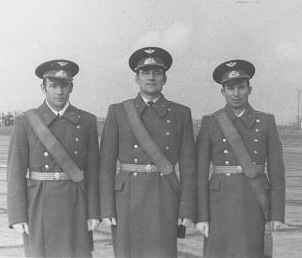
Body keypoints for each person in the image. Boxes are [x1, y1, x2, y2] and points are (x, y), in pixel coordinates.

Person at [99, 47, 196, 258]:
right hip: (126, 199)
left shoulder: (181, 114)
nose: (151, 78)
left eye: (157, 73)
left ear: (165, 78)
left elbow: (189, 168)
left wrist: (186, 209)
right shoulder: (118, 112)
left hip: (165, 197)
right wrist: (106, 207)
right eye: (145, 72)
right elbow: (105, 166)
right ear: (137, 77)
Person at [7, 59, 100, 257]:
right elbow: (15, 171)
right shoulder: (26, 121)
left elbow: (93, 172)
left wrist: (93, 212)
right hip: (39, 203)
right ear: (43, 87)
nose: (59, 92)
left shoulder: (87, 121)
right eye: (53, 86)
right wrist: (17, 215)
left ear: (71, 87)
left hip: (76, 203)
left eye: (64, 86)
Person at [195, 60, 285, 258]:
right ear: (222, 92)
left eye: (241, 87)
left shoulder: (266, 122)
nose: (236, 93)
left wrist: (276, 214)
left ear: (249, 89)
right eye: (230, 88)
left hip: (253, 203)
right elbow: (200, 174)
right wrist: (201, 217)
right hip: (218, 206)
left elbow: (277, 173)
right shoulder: (210, 122)